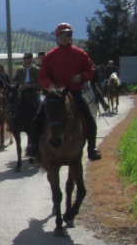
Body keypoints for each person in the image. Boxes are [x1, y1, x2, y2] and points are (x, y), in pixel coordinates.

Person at [26, 23, 103, 162]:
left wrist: (81, 76)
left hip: (75, 93)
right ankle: (33, 147)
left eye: (68, 34)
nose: (65, 37)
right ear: (57, 37)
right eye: (62, 34)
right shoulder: (50, 56)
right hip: (54, 95)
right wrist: (50, 85)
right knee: (38, 118)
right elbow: (43, 76)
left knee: (89, 119)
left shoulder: (80, 54)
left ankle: (92, 148)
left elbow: (90, 71)